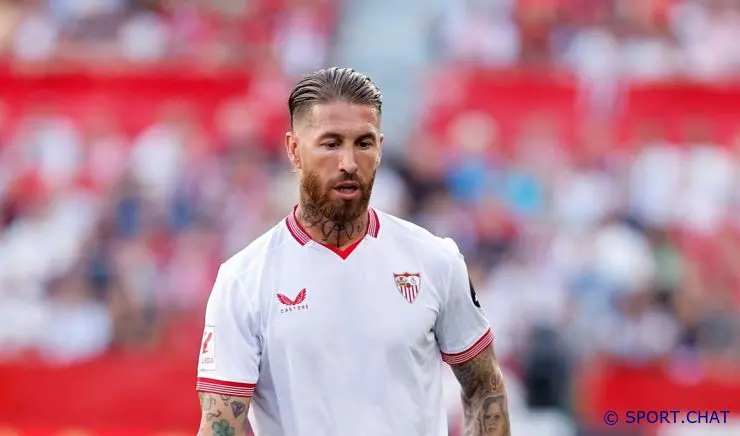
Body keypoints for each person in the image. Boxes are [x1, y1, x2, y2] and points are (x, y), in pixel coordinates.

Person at [195, 67, 511, 436]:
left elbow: (485, 387)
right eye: (330, 144)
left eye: (363, 143)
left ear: (380, 148)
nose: (348, 163)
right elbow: (221, 425)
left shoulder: (435, 260)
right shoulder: (243, 280)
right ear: (294, 150)